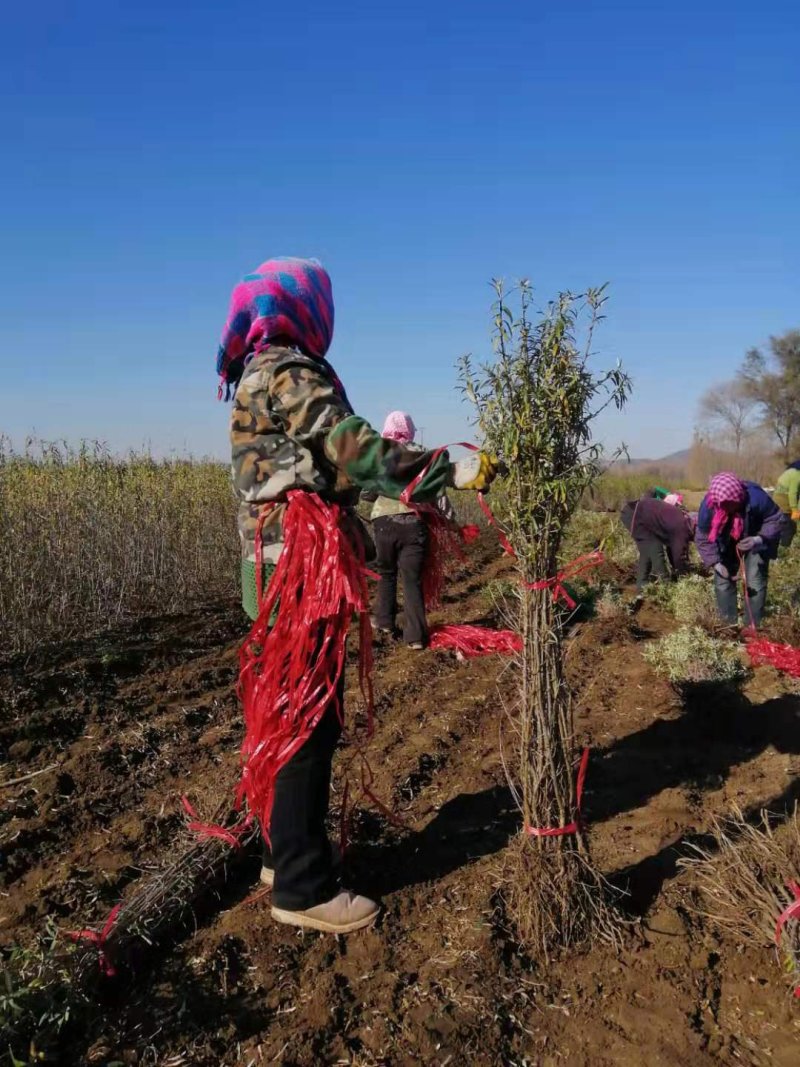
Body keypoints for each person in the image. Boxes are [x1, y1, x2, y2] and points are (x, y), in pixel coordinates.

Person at [219, 257, 498, 935]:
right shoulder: (289, 367)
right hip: (300, 566)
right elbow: (352, 449)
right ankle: (304, 885)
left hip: (277, 564)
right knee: (312, 717)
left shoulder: (260, 369)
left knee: (288, 711)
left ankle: (281, 852)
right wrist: (443, 468)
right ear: (302, 308)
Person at [367, 411, 455, 649]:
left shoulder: (381, 455)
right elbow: (437, 491)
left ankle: (384, 621)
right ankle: (415, 637)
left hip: (383, 522)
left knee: (386, 572)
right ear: (411, 429)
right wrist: (450, 519)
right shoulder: (424, 455)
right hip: (414, 523)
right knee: (412, 580)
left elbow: (368, 491)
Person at [695, 472, 785, 627]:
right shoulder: (709, 507)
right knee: (723, 580)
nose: (728, 508)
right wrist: (716, 564)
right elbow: (703, 538)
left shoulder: (756, 498)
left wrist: (758, 539)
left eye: (732, 503)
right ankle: (728, 625)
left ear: (739, 496)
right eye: (724, 504)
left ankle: (752, 625)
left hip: (756, 538)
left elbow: (776, 519)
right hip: (725, 542)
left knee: (754, 580)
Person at [620, 492, 693, 595]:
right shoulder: (677, 523)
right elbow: (676, 555)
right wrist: (683, 574)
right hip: (634, 515)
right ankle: (667, 588)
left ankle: (642, 587)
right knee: (656, 551)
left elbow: (672, 550)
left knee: (646, 553)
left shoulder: (672, 519)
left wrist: (679, 571)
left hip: (636, 515)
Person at [773, 459, 800, 547]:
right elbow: (793, 493)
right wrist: (795, 510)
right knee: (789, 528)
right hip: (783, 503)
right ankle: (783, 550)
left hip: (777, 501)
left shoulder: (790, 471)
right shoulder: (796, 475)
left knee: (781, 527)